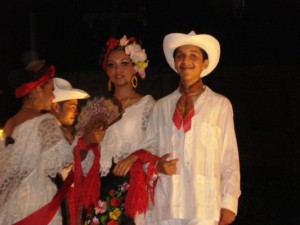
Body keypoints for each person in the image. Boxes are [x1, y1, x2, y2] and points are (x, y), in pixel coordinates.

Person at [141, 31, 241, 225]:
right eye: (180, 55)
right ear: (175, 63)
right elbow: (146, 151)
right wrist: (156, 166)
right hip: (168, 201)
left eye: (193, 56)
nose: (186, 60)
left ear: (204, 63)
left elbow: (229, 155)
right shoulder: (161, 106)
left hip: (204, 204)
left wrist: (229, 201)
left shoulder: (220, 105)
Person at [0, 60, 102, 225]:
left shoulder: (10, 123)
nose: (53, 96)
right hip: (39, 204)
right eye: (51, 90)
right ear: (38, 90)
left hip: (12, 207)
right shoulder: (45, 121)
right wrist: (87, 141)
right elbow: (65, 165)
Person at [83, 35, 158, 225]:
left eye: (124, 63)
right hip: (101, 188)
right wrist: (88, 141)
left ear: (135, 69)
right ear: (106, 71)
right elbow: (84, 160)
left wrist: (134, 157)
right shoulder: (99, 108)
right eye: (112, 65)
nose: (118, 69)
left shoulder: (148, 105)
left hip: (133, 186)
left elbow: (158, 142)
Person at [51, 77, 90, 144]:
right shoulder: (52, 133)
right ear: (56, 107)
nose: (76, 112)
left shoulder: (60, 131)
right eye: (72, 107)